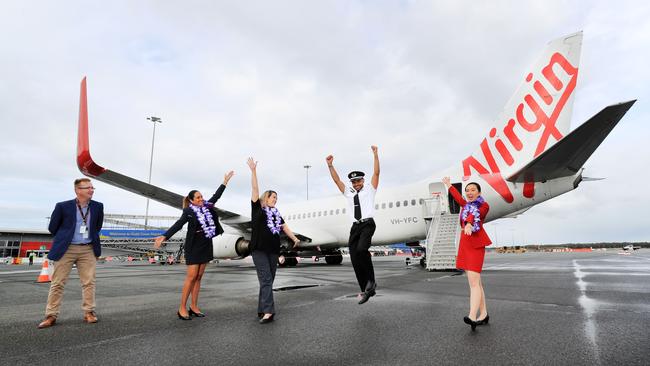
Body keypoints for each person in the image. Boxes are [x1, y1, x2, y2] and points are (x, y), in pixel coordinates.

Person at [154, 171, 234, 320]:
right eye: (198, 197)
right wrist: (165, 235)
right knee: (191, 277)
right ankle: (182, 308)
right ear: (191, 201)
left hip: (205, 244)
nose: (201, 199)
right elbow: (178, 225)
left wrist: (224, 182)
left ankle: (194, 306)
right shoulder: (188, 211)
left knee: (199, 277)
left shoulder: (207, 207)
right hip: (193, 245)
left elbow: (216, 196)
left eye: (201, 196)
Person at [38, 178, 104, 329]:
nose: (91, 190)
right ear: (78, 190)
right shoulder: (63, 206)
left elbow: (97, 227)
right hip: (66, 249)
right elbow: (53, 227)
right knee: (57, 283)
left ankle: (89, 312)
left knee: (89, 282)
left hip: (88, 248)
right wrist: (65, 237)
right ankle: (51, 315)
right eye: (88, 188)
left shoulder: (98, 206)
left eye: (92, 187)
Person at [247, 157, 300, 324]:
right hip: (259, 250)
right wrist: (254, 171)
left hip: (273, 250)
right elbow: (255, 189)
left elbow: (284, 227)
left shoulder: (276, 214)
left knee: (268, 281)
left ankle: (262, 309)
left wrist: (294, 238)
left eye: (276, 198)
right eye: (273, 197)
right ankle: (269, 311)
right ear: (265, 199)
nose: (275, 200)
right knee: (266, 280)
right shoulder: (257, 209)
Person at [326, 146, 380, 304]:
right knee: (355, 258)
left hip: (368, 224)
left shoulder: (370, 189)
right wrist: (330, 165)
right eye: (354, 181)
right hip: (355, 227)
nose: (356, 183)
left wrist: (376, 155)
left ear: (363, 180)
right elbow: (337, 180)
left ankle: (372, 281)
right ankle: (366, 290)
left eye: (358, 180)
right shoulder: (348, 192)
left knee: (362, 249)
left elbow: (376, 173)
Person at [442, 177, 492, 331]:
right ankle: (483, 314)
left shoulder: (483, 205)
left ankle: (472, 315)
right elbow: (458, 198)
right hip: (465, 243)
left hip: (476, 243)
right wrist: (449, 185)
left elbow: (475, 214)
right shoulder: (465, 204)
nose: (469, 192)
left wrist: (469, 223)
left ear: (479, 193)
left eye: (473, 190)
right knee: (477, 282)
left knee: (473, 283)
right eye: (467, 190)